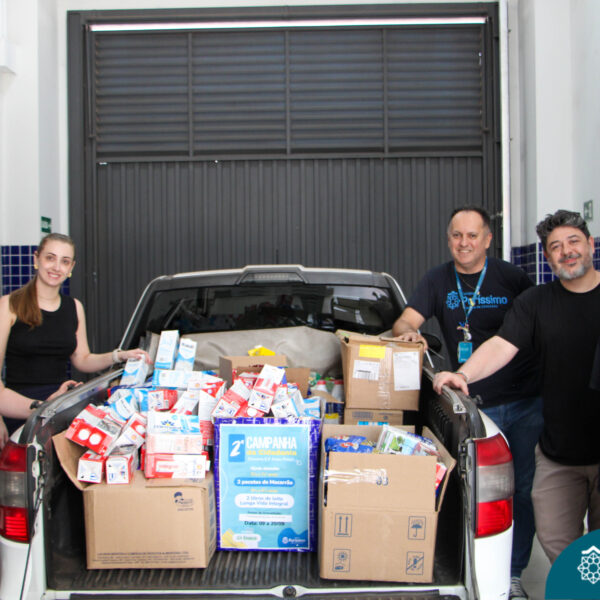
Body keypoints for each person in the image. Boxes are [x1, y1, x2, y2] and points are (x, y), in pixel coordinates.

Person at [433, 209, 600, 567]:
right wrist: (463, 375)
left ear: (590, 244)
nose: (566, 251)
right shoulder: (536, 302)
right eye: (555, 246)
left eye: (573, 241)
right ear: (547, 256)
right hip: (559, 453)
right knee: (556, 537)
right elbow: (500, 345)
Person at [393, 206, 541, 600]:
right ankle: (475, 569)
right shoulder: (437, 279)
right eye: (457, 235)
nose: (464, 243)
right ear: (448, 240)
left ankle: (513, 573)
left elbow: (539, 324)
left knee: (521, 490)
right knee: (476, 492)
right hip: (472, 404)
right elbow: (405, 321)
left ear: (488, 239)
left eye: (473, 235)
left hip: (524, 401)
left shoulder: (512, 278)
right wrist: (409, 333)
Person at [0, 233, 151, 445]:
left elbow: (82, 359)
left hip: (60, 407)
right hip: (20, 408)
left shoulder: (74, 307)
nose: (56, 267)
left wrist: (119, 356)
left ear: (71, 267)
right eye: (50, 258)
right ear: (36, 259)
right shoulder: (9, 305)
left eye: (65, 261)